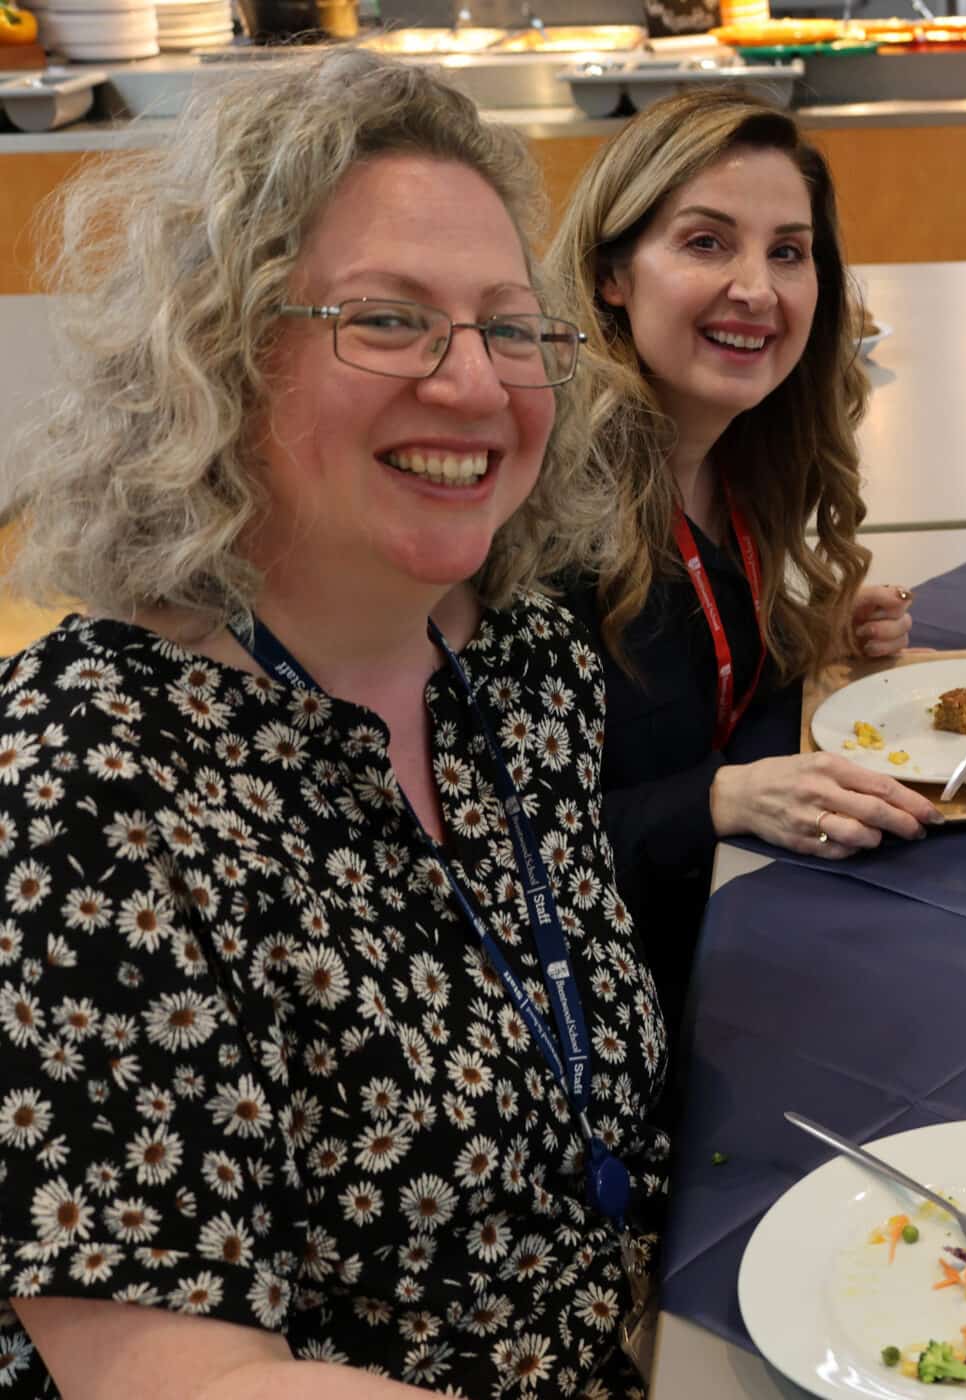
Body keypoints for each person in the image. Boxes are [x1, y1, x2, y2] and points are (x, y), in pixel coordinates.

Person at [0, 51, 669, 1395]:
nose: (475, 385)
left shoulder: (524, 660)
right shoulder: (82, 791)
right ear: (223, 358)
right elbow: (178, 1379)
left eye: (504, 323)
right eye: (388, 320)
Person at [547, 90, 938, 1005]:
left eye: (788, 253)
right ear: (611, 273)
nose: (757, 289)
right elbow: (492, 849)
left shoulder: (737, 463)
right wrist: (719, 802)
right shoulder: (551, 512)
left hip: (734, 931)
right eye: (706, 242)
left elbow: (695, 686)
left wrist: (805, 631)